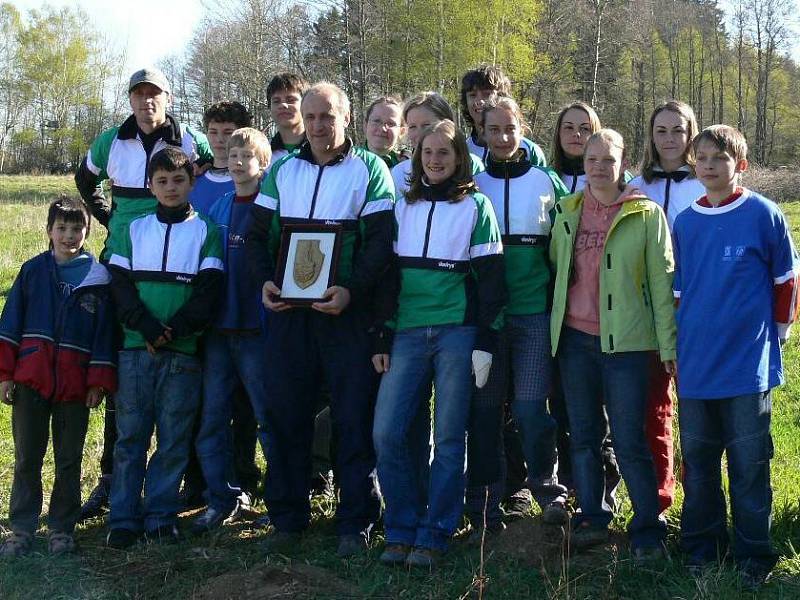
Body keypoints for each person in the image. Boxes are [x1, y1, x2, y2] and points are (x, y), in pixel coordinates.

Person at [247, 81, 393, 558]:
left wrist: (351, 291)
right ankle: (287, 517)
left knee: (352, 420)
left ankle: (355, 521)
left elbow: (378, 247)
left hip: (345, 315)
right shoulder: (282, 170)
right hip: (291, 315)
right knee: (286, 416)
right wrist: (265, 283)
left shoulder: (371, 170)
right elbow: (255, 238)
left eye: (327, 116)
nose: (317, 126)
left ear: (346, 117)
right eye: (310, 117)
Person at [74, 67, 212, 521]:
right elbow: (85, 178)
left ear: (167, 97)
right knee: (125, 377)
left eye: (154, 94)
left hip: (182, 255)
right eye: (139, 94)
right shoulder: (110, 140)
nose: (147, 102)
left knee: (178, 401)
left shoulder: (190, 139)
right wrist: (107, 217)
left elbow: (213, 168)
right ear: (131, 99)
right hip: (126, 259)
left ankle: (175, 490)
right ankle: (114, 484)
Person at [372, 119, 506, 569]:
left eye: (443, 153)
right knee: (386, 432)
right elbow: (387, 279)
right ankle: (401, 526)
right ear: (417, 157)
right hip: (407, 333)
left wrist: (485, 340)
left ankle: (436, 530)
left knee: (449, 438)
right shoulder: (401, 207)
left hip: (457, 333)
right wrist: (382, 333)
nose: (434, 160)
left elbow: (490, 281)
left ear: (458, 159)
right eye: (427, 152)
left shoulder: (477, 206)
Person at [673, 125, 797, 588]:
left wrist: (775, 337)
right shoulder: (685, 222)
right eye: (700, 157)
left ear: (740, 165)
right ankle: (703, 547)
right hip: (697, 368)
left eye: (719, 158)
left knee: (749, 466)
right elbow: (680, 293)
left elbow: (786, 280)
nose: (708, 165)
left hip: (747, 368)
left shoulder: (764, 214)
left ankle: (753, 553)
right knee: (700, 466)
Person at [549, 129, 674, 561]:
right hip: (575, 341)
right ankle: (593, 517)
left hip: (627, 346)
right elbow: (557, 271)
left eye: (609, 159)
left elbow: (661, 283)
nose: (599, 168)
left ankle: (648, 527)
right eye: (591, 160)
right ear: (582, 164)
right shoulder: (567, 212)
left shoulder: (644, 214)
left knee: (629, 438)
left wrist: (668, 345)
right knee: (583, 435)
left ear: (624, 164)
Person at [105, 147, 223, 548]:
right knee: (130, 437)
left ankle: (160, 514)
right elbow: (119, 286)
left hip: (182, 353)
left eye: (178, 180)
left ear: (191, 182)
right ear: (150, 186)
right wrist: (147, 328)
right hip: (137, 350)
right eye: (162, 181)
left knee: (173, 438)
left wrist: (173, 331)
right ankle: (122, 516)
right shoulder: (132, 229)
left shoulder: (207, 230)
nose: (171, 188)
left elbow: (209, 293)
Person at [465, 97, 569, 540]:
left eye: (511, 128)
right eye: (494, 130)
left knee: (529, 408)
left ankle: (546, 488)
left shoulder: (547, 182)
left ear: (522, 128)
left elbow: (569, 240)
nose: (503, 138)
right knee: (486, 412)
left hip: (531, 315)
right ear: (482, 132)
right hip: (485, 320)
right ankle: (487, 499)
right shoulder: (470, 183)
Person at [0, 196, 117, 557]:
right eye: (61, 228)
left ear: (88, 231)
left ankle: (61, 528)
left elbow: (105, 336)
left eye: (76, 228)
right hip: (30, 380)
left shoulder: (99, 280)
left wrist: (98, 381)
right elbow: (10, 323)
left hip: (74, 387)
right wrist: (6, 373)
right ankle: (21, 527)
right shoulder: (32, 271)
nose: (69, 235)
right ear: (49, 231)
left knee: (69, 459)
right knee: (27, 458)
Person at [192, 128, 272, 534]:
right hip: (219, 331)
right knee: (213, 418)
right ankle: (221, 497)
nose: (238, 161)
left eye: (248, 156)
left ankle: (279, 500)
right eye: (234, 154)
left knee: (267, 418)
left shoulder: (272, 208)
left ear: (264, 163)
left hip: (258, 329)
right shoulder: (217, 209)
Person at [629, 100, 704, 514]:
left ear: (691, 134)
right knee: (652, 409)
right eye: (662, 131)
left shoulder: (703, 183)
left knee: (696, 410)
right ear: (651, 136)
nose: (670, 139)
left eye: (679, 130)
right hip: (648, 311)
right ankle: (658, 498)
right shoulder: (638, 185)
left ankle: (700, 501)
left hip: (695, 310)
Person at [459, 65, 547, 167]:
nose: (479, 101)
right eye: (473, 95)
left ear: (501, 97)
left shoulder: (529, 150)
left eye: (487, 94)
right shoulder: (462, 152)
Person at [189, 100, 253, 215]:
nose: (219, 139)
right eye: (213, 132)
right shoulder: (191, 182)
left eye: (228, 132)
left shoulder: (256, 181)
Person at [550, 102, 602, 193]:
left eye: (585, 128)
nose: (576, 134)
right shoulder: (545, 179)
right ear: (558, 133)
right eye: (569, 127)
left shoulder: (614, 179)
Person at [267, 72, 309, 165]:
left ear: (306, 104)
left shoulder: (319, 149)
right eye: (276, 101)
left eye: (290, 100)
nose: (283, 105)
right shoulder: (262, 152)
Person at [363, 96, 410, 168]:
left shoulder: (409, 167)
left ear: (401, 131)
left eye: (391, 123)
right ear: (365, 125)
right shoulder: (349, 161)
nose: (382, 128)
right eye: (376, 121)